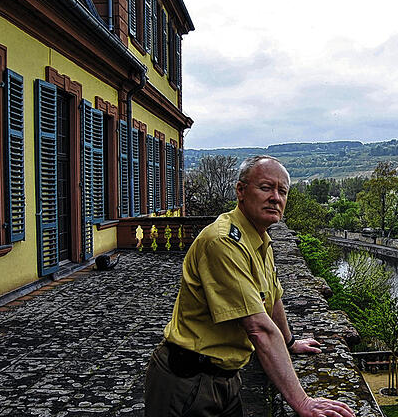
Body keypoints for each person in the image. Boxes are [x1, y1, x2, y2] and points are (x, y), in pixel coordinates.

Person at [145, 156, 355, 417]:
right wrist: (302, 402)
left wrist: (289, 343)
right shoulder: (223, 242)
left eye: (282, 191)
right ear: (241, 191)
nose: (275, 197)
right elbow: (258, 328)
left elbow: (273, 299)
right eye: (266, 188)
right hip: (188, 380)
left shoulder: (258, 238)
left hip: (226, 378)